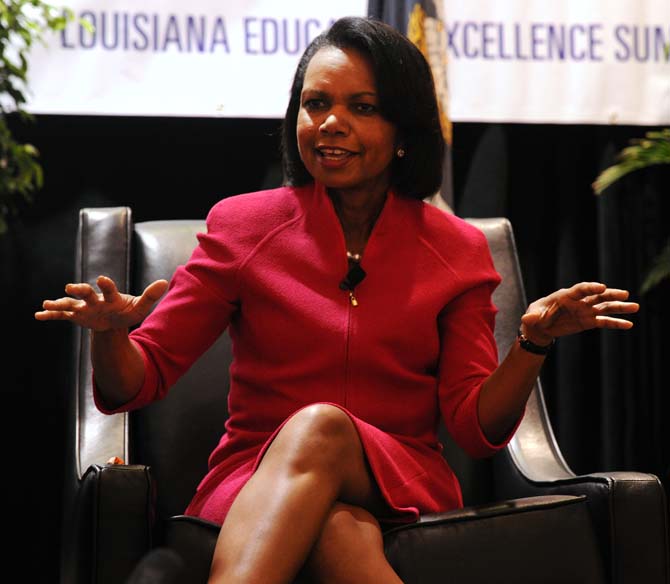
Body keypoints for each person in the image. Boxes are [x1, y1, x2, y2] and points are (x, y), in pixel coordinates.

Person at [35, 16, 639, 584]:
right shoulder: (244, 226)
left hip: (402, 475)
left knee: (323, 427)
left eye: (363, 108)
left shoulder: (455, 249)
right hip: (255, 477)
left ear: (403, 131)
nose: (330, 123)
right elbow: (132, 385)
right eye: (316, 103)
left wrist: (532, 343)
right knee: (339, 531)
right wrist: (112, 334)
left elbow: (476, 429)